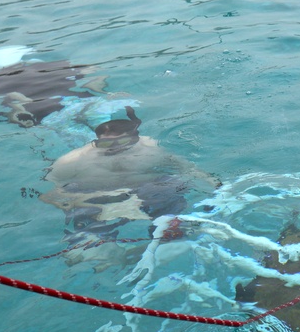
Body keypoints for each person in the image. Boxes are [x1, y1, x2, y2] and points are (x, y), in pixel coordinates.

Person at [40, 107, 221, 265]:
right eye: (105, 144)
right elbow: (50, 194)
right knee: (79, 208)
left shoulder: (150, 149)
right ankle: (94, 242)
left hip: (144, 187)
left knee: (171, 185)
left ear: (135, 138)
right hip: (94, 193)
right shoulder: (72, 161)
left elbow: (185, 168)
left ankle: (169, 229)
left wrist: (213, 183)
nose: (114, 149)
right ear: (96, 141)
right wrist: (88, 202)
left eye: (123, 143)